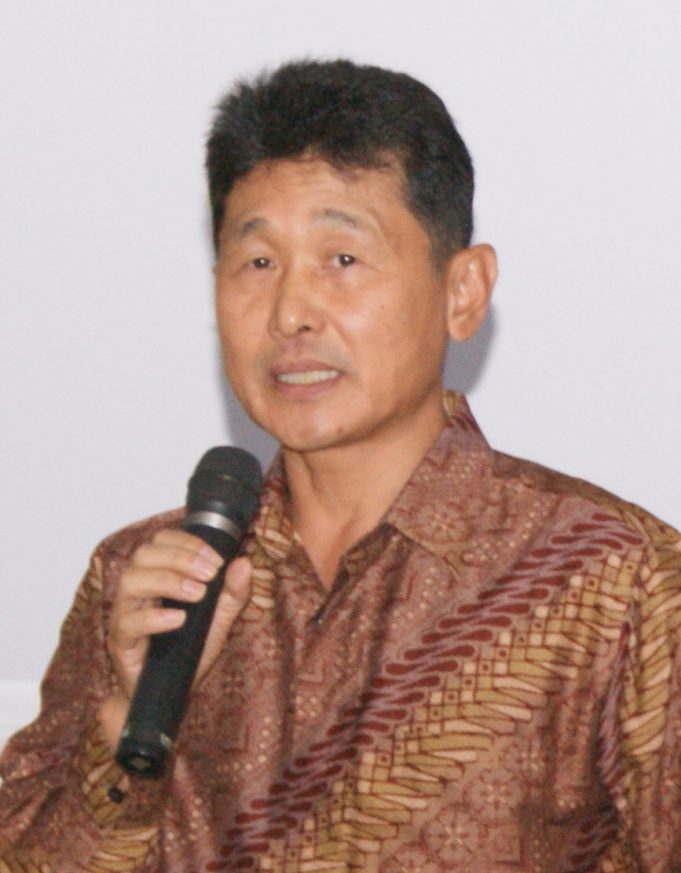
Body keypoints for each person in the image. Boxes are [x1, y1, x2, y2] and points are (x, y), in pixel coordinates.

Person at [1, 58, 680, 873]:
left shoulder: (616, 582)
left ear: (463, 290)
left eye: (342, 259)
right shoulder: (143, 583)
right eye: (257, 263)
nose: (290, 312)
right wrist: (122, 720)